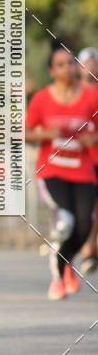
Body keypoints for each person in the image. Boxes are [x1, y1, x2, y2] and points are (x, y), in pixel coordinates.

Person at [26, 44, 98, 300]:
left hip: (82, 171)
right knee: (66, 220)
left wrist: (92, 138)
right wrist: (45, 133)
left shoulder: (91, 97)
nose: (67, 68)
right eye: (61, 64)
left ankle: (66, 261)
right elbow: (24, 132)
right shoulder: (42, 99)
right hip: (52, 171)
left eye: (70, 63)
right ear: (51, 71)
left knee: (84, 224)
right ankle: (58, 276)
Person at [77, 47, 98, 274]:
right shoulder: (73, 92)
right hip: (79, 162)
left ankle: (91, 248)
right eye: (86, 63)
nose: (90, 67)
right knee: (86, 210)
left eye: (94, 62)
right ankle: (86, 249)